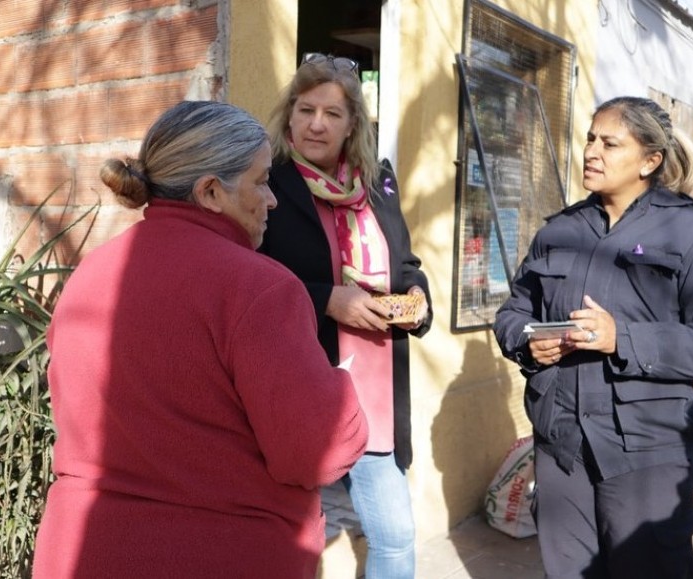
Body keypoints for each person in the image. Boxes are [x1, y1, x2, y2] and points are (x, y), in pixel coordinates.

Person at [32, 100, 369, 579]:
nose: (272, 199)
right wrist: (342, 389)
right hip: (216, 555)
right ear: (211, 192)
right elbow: (318, 454)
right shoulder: (261, 288)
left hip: (81, 551)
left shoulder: (91, 272)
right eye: (260, 182)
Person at [494, 96, 693, 579]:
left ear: (650, 161)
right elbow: (513, 312)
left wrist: (622, 338)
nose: (592, 151)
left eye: (611, 143)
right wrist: (528, 341)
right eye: (591, 139)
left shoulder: (692, 232)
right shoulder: (560, 230)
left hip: (647, 451)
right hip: (562, 444)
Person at [259, 52, 432, 579]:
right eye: (306, 109)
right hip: (300, 386)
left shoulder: (377, 184)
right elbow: (251, 276)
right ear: (289, 115)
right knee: (287, 540)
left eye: (332, 113)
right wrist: (327, 299)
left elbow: (405, 263)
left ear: (352, 122)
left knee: (396, 538)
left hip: (373, 394)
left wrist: (418, 298)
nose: (317, 123)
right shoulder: (268, 182)